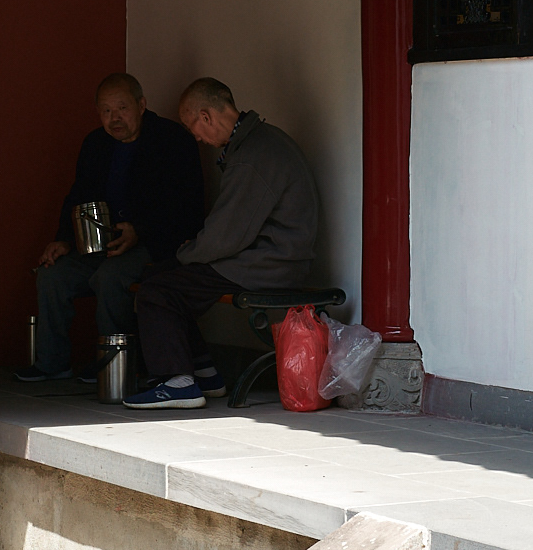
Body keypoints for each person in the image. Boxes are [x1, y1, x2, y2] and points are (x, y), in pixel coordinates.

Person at [125, 77, 320, 410]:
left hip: (269, 265)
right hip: (271, 259)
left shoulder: (252, 155)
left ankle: (178, 382)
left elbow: (225, 236)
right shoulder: (259, 141)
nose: (197, 138)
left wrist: (187, 252)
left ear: (206, 116)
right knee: (163, 278)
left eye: (193, 128)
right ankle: (205, 372)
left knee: (157, 290)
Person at [20, 71, 205, 383]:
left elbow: (186, 207)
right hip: (102, 243)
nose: (114, 118)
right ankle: (52, 362)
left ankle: (115, 364)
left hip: (157, 244)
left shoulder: (172, 140)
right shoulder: (96, 143)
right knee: (53, 274)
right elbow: (78, 196)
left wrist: (139, 230)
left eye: (122, 108)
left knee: (111, 277)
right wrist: (63, 239)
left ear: (141, 105)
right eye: (106, 110)